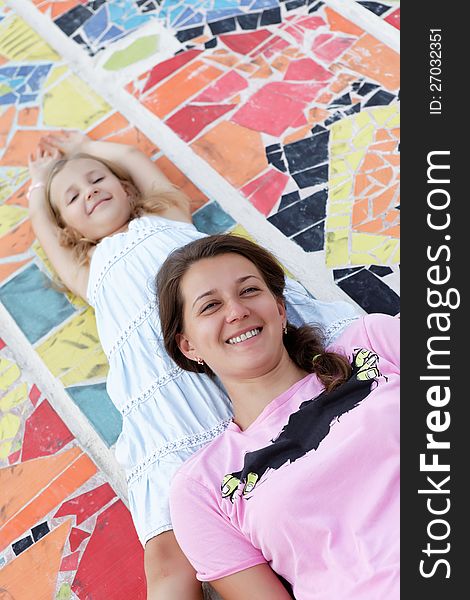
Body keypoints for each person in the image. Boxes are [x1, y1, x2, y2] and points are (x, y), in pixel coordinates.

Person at [27, 132, 359, 599]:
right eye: (74, 197)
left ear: (126, 188)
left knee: (296, 471)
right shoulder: (88, 270)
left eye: (97, 179)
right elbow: (44, 228)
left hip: (234, 360)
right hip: (165, 397)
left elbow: (131, 156)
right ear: (72, 232)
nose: (90, 192)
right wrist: (41, 183)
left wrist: (83, 146)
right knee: (170, 557)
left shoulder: (165, 215)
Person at [156, 234, 399, 600]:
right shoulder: (201, 489)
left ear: (280, 309)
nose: (236, 311)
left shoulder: (373, 342)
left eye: (250, 291)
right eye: (210, 306)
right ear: (188, 346)